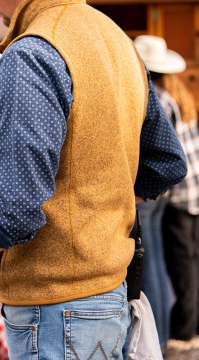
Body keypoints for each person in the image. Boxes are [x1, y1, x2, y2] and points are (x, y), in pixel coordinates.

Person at [0, 1, 188, 359]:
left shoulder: (31, 53)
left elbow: (14, 212)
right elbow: (166, 164)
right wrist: (95, 205)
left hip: (57, 309)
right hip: (109, 292)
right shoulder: (115, 38)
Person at [136, 35, 199, 344]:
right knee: (159, 262)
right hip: (174, 191)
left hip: (154, 189)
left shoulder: (153, 97)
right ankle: (161, 334)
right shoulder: (175, 96)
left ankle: (157, 337)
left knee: (152, 265)